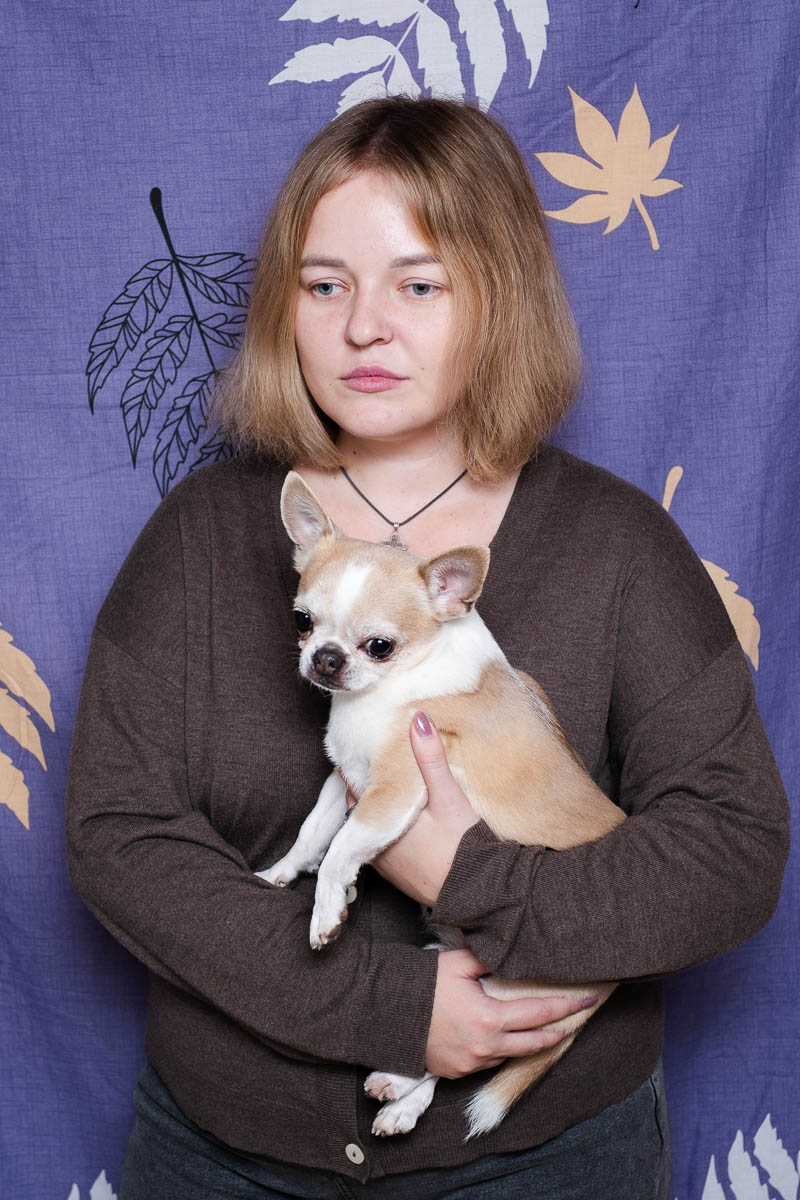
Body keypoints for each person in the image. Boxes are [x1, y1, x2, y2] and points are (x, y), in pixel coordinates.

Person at [66, 97, 788, 1199]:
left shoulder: (615, 545)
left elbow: (730, 851)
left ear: (498, 299)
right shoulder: (204, 537)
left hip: (542, 1157)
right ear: (282, 308)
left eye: (418, 282)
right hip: (223, 1155)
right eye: (324, 284)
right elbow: (118, 838)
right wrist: (392, 1008)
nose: (363, 327)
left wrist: (476, 883)